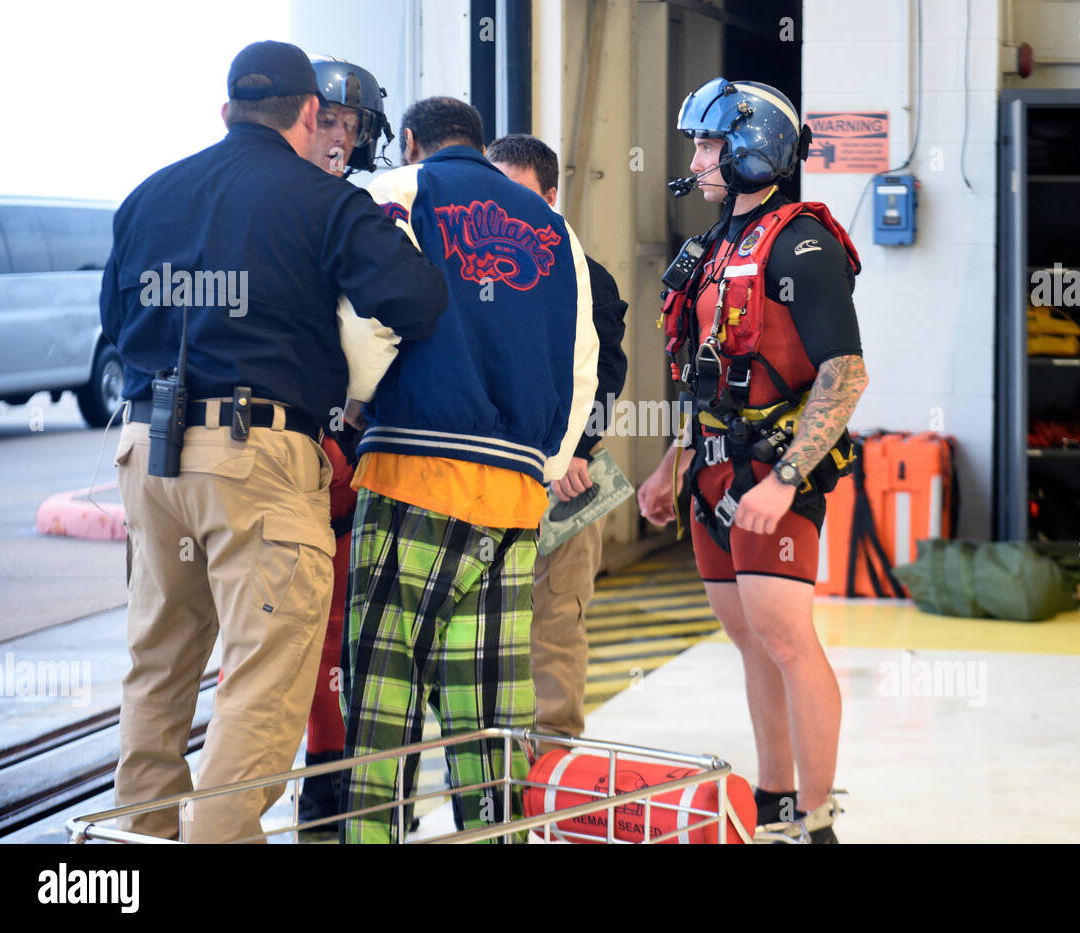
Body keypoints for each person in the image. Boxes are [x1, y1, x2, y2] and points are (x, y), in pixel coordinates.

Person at [101, 40, 447, 843]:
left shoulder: (147, 196)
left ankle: (141, 842)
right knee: (264, 675)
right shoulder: (324, 201)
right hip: (255, 456)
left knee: (158, 663)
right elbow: (418, 303)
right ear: (304, 114)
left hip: (146, 453)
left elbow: (117, 327)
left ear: (226, 111)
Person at [339, 97, 599, 843]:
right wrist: (545, 460)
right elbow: (580, 362)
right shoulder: (556, 230)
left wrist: (357, 400)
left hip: (412, 475)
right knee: (490, 718)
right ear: (482, 148)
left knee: (384, 707)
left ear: (412, 141)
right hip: (515, 498)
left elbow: (366, 316)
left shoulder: (401, 191)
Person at [636, 78, 869, 844]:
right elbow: (703, 369)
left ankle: (816, 815)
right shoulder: (709, 249)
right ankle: (772, 797)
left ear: (748, 147)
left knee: (787, 636)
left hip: (772, 473)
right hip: (707, 472)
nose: (696, 159)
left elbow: (845, 372)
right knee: (749, 639)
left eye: (706, 144)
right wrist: (672, 465)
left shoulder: (802, 242)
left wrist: (789, 476)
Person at [485, 133, 628, 745]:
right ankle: (484, 765)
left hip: (569, 479)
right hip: (487, 475)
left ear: (551, 197)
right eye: (496, 195)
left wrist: (575, 452)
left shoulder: (587, 277)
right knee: (482, 628)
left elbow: (606, 375)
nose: (508, 211)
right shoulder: (473, 270)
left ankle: (551, 768)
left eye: (521, 197)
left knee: (555, 623)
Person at [294, 55, 396, 827]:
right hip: (276, 443)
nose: (337, 135)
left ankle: (330, 780)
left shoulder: (367, 209)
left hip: (342, 449)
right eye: (325, 118)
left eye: (349, 124)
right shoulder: (284, 206)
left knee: (340, 631)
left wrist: (359, 412)